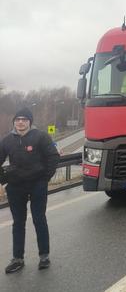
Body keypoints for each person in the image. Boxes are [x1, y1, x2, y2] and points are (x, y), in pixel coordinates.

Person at [0, 108, 60, 273]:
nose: (20, 122)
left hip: (37, 185)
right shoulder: (6, 140)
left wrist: (44, 179)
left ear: (30, 122)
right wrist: (2, 181)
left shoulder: (40, 136)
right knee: (18, 223)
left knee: (39, 219)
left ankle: (44, 256)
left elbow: (53, 157)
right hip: (15, 186)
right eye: (18, 119)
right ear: (14, 122)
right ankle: (17, 259)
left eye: (24, 119)